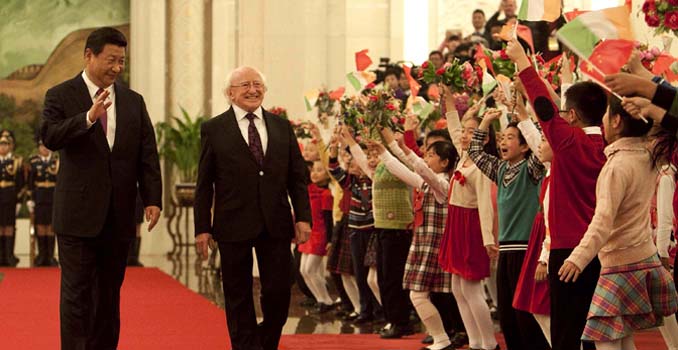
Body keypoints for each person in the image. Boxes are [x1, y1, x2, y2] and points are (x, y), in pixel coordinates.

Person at [41, 27, 162, 349]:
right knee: (77, 294)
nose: (117, 68)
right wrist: (88, 118)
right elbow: (50, 137)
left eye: (122, 61)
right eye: (111, 60)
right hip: (77, 216)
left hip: (119, 216)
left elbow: (147, 153)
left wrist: (152, 198)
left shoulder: (133, 101)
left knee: (109, 295)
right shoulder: (60, 94)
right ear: (89, 55)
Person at [194, 66, 311, 350]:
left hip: (276, 222)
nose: (252, 89)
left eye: (257, 84)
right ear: (230, 93)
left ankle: (265, 340)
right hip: (233, 222)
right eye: (245, 84)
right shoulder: (214, 128)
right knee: (237, 293)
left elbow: (297, 178)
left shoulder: (282, 126)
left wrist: (304, 218)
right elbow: (204, 183)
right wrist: (202, 229)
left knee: (279, 290)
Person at [507, 37, 607, 350]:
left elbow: (544, 107)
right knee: (593, 331)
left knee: (566, 331)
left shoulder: (570, 143)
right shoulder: (609, 144)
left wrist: (523, 63)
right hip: (601, 249)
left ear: (573, 116)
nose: (561, 116)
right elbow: (551, 108)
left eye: (567, 112)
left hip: (566, 250)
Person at [559, 97, 678, 350]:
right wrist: (645, 105)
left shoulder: (617, 166)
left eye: (606, 114)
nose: (602, 120)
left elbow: (602, 221)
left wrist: (577, 258)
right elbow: (664, 126)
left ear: (616, 120)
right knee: (622, 338)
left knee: (607, 340)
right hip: (642, 258)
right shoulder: (649, 154)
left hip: (619, 265)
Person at [27, 135, 59, 266]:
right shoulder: (34, 162)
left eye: (46, 146)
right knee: (40, 226)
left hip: (53, 197)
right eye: (42, 146)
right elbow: (30, 182)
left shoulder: (56, 161)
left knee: (51, 227)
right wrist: (30, 199)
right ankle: (41, 256)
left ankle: (50, 256)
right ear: (39, 148)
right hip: (39, 197)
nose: (44, 149)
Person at [0, 133, 23, 267]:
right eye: (1, 144)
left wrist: (19, 201)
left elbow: (20, 183)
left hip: (10, 197)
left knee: (8, 226)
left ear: (10, 146)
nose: (3, 147)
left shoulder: (15, 161)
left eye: (5, 144)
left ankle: (9, 255)